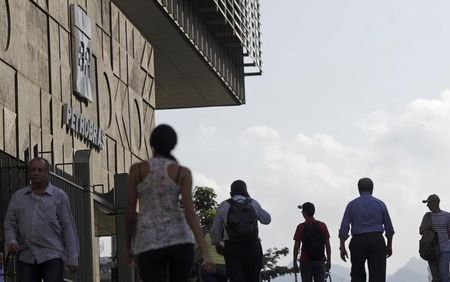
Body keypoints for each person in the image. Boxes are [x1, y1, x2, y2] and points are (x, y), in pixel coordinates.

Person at [125, 124, 214, 281]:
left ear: (151, 143)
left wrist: (128, 247)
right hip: (180, 240)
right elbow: (190, 212)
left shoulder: (137, 170)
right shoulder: (182, 172)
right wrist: (204, 250)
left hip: (148, 241)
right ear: (173, 145)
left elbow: (130, 215)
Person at [3, 157, 79, 281]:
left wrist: (73, 257)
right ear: (29, 173)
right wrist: (11, 241)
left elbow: (68, 227)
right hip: (26, 255)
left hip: (52, 254)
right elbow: (10, 223)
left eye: (40, 170)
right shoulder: (19, 197)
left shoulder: (59, 196)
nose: (36, 173)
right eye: (33, 170)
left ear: (47, 173)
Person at [211, 180, 271, 282]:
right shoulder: (253, 203)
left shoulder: (224, 205)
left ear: (231, 193)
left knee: (236, 278)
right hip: (252, 246)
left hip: (232, 248)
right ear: (245, 191)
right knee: (253, 278)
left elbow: (215, 229)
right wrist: (249, 199)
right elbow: (267, 220)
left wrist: (217, 244)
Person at [338, 177, 394, 282]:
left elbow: (344, 228)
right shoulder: (380, 204)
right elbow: (389, 228)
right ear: (372, 189)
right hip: (376, 240)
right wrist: (389, 245)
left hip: (358, 241)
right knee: (377, 275)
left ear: (358, 189)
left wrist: (342, 247)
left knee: (357, 274)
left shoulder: (351, 205)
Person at [293, 202, 331, 282]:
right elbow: (327, 245)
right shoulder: (322, 225)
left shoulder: (301, 227)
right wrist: (329, 261)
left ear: (304, 213)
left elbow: (296, 246)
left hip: (305, 262)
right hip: (320, 261)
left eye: (302, 211)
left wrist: (295, 262)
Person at [419, 194, 450, 282]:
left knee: (444, 274)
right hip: (431, 250)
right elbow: (421, 231)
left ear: (436, 203)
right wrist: (427, 227)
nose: (427, 205)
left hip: (445, 249)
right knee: (436, 278)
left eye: (429, 203)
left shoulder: (447, 216)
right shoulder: (427, 216)